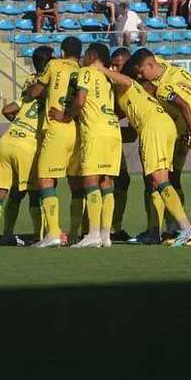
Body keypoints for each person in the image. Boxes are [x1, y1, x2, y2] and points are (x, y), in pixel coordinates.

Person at [96, 62, 191, 246]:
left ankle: (186, 227)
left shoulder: (126, 83)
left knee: (159, 180)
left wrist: (101, 69)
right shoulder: (133, 94)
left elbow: (125, 81)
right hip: (165, 125)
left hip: (153, 127)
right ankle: (171, 228)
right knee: (161, 180)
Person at [132, 51, 191, 246]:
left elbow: (187, 105)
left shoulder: (168, 83)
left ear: (150, 65)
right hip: (185, 133)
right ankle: (185, 231)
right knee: (185, 181)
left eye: (141, 73)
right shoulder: (160, 84)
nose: (140, 77)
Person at [52, 43, 123, 248]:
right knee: (106, 183)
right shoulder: (107, 77)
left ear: (91, 56)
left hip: (95, 131)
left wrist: (65, 117)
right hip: (113, 130)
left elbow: (81, 101)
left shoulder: (85, 72)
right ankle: (105, 236)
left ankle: (92, 234)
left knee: (90, 181)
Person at [0, 46, 51, 247]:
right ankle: (39, 236)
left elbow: (7, 110)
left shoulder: (29, 86)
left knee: (3, 191)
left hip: (7, 140)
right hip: (27, 146)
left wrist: (19, 121)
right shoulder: (52, 90)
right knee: (34, 193)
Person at [25, 37, 83, 248]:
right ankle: (75, 234)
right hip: (76, 130)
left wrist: (31, 90)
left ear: (61, 52)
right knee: (75, 183)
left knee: (45, 179)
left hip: (56, 129)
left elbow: (35, 92)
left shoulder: (54, 64)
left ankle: (53, 233)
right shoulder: (82, 69)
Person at [109, 47, 134, 243]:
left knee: (122, 180)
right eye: (112, 65)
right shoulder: (110, 85)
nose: (114, 69)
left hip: (111, 138)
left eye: (118, 65)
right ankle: (92, 228)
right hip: (99, 138)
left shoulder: (130, 86)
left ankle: (114, 227)